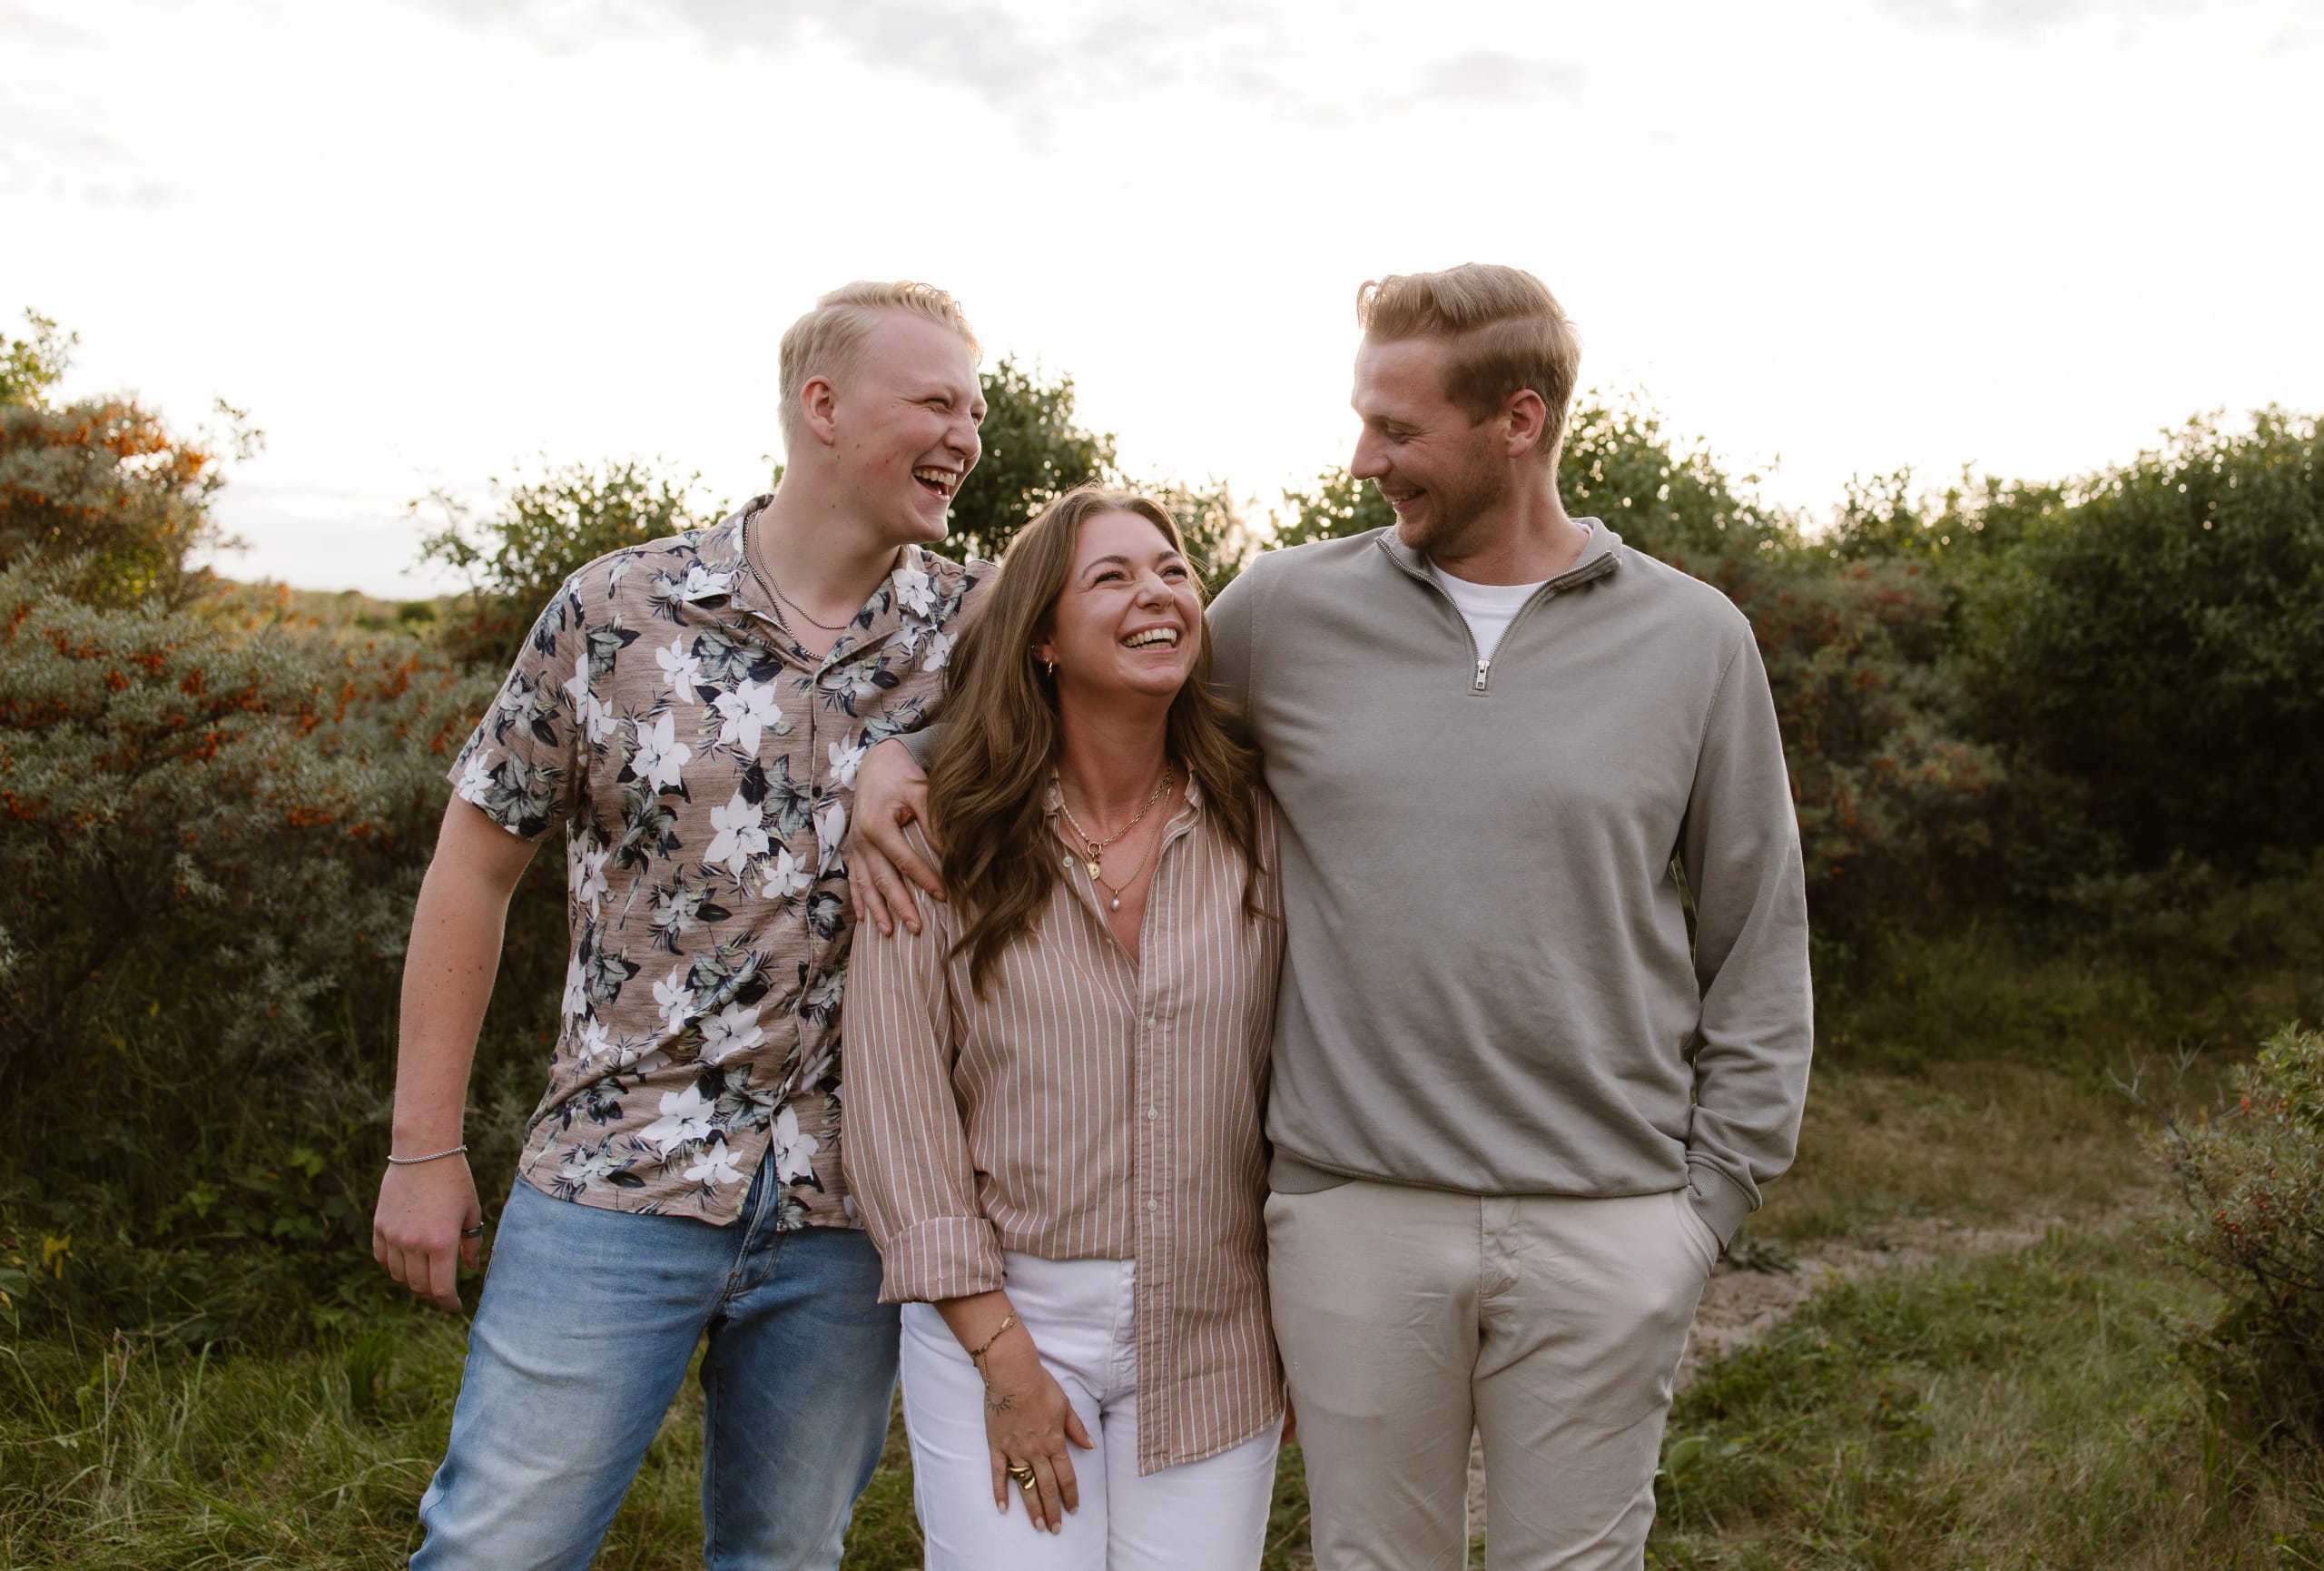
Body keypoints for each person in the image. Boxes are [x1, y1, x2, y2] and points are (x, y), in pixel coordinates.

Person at [850, 264, 1814, 1570]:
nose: (1363, 458)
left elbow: (1757, 932)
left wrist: (1707, 1207)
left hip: (1609, 1216)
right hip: (1355, 1219)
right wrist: (899, 758)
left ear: (1517, 421)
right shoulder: (1288, 610)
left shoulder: (1693, 639)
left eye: (1397, 429)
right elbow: (1089, 681)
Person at [370, 279, 990, 1570]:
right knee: (495, 1549)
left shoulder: (980, 630)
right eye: (936, 403)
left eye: (974, 411)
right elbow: (472, 869)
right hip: (616, 1178)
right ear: (823, 406)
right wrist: (422, 1147)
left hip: (853, 1205)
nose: (966, 436)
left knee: (786, 1557)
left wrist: (915, 747)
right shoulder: (616, 611)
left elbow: (1149, 708)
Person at [842, 487, 1286, 1570]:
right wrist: (1004, 1357)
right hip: (1006, 1312)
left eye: (1173, 572)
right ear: (1042, 638)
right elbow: (899, 1107)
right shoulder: (942, 829)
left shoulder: (1256, 818)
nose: (1157, 594)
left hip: (1215, 1321)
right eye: (1112, 576)